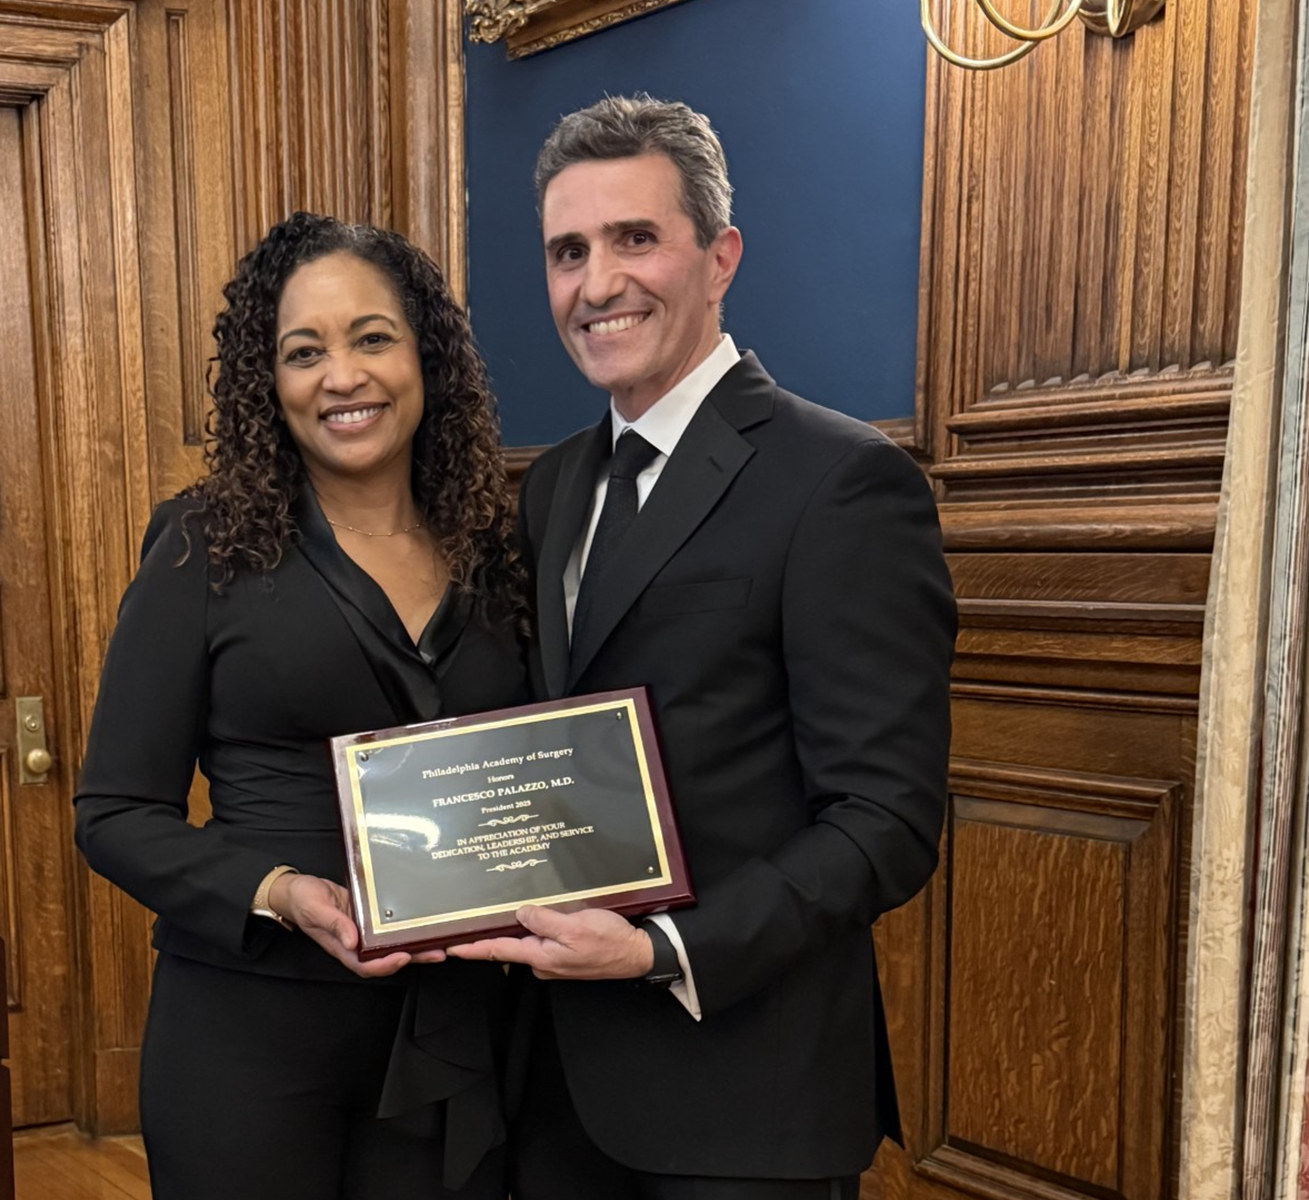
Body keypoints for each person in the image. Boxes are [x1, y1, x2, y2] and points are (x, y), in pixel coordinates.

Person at [450, 95, 957, 1199]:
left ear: (719, 256)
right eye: (566, 251)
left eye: (636, 238)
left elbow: (887, 820)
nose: (596, 284)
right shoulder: (554, 489)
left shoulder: (841, 481)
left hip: (745, 1094)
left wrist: (664, 951)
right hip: (559, 1081)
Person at [73, 212, 528, 1200]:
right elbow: (113, 815)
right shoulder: (201, 545)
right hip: (249, 1031)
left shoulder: (501, 547)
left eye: (373, 338)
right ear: (266, 383)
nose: (343, 376)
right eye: (303, 351)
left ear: (426, 357)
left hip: (455, 1021)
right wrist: (281, 891)